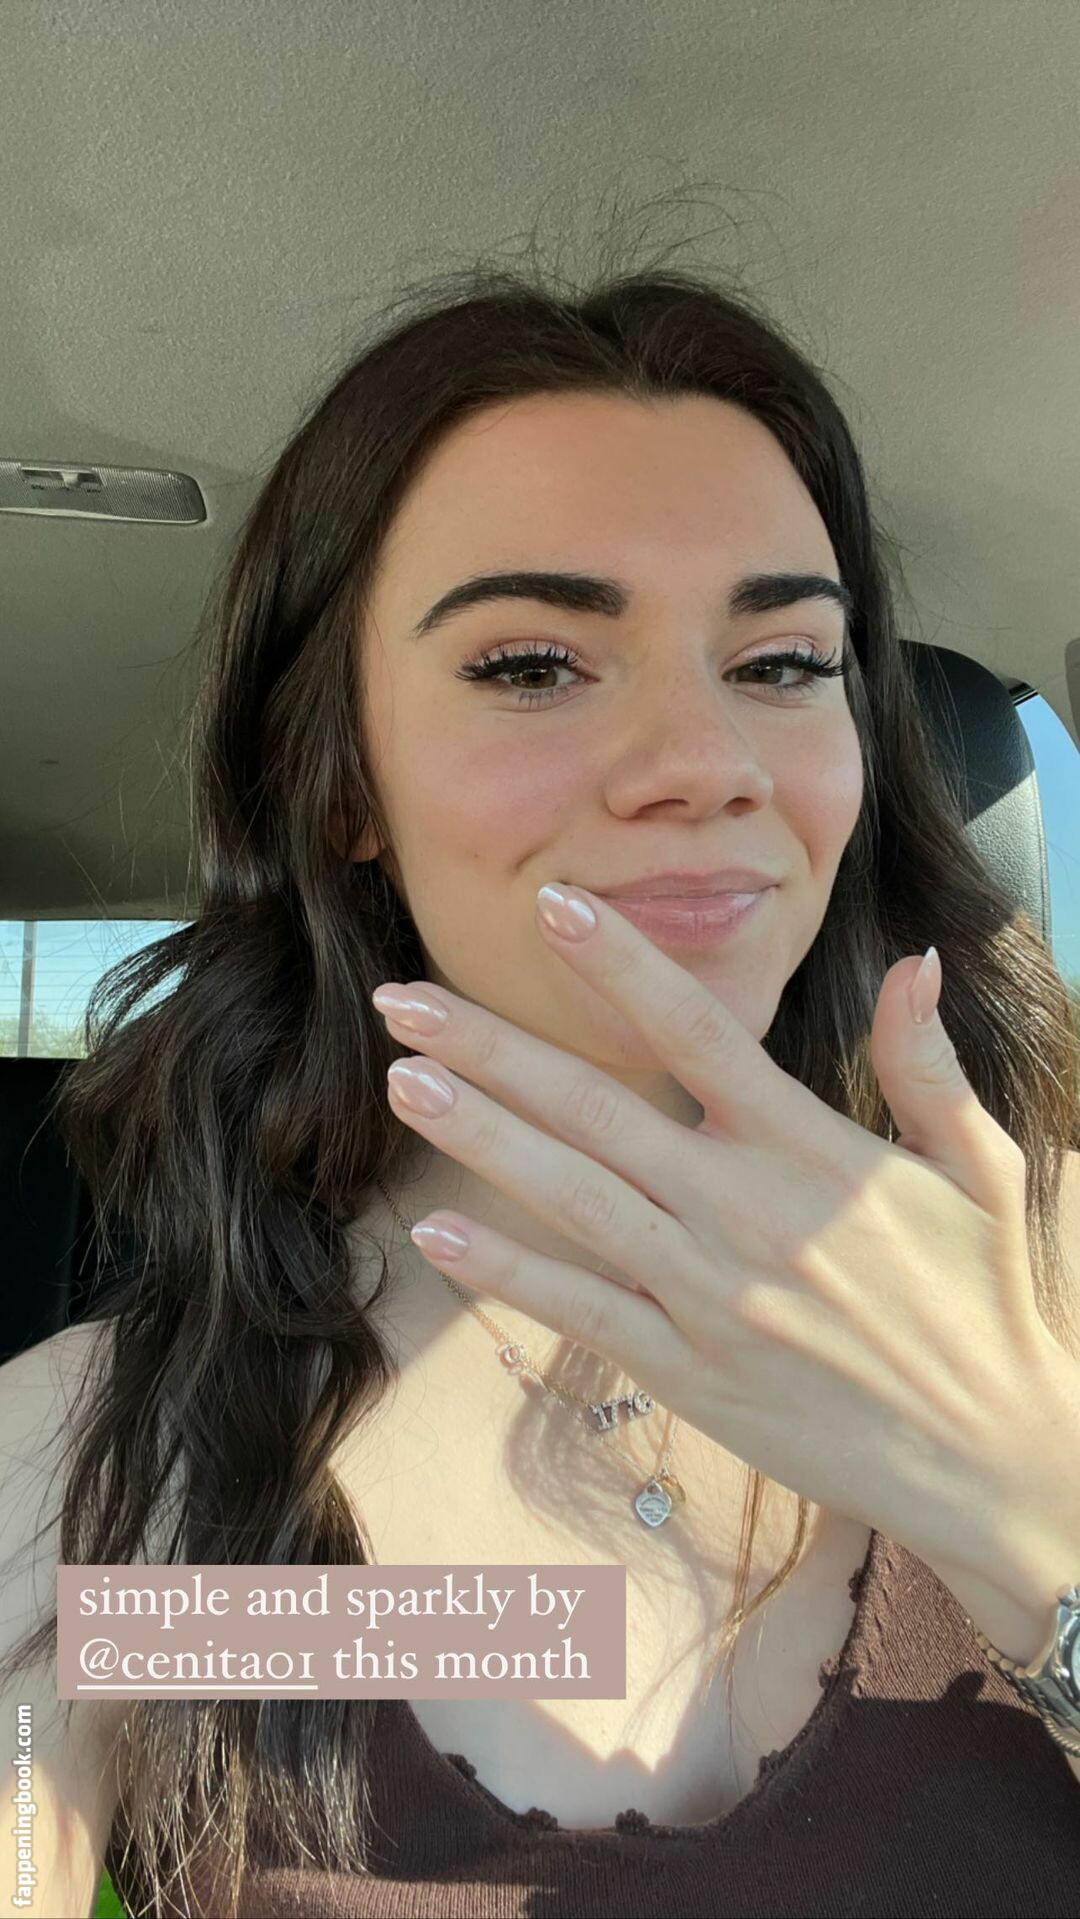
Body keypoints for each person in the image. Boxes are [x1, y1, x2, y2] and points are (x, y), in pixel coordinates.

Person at [2, 242, 1079, 1919]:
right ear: (344, 785)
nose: (705, 764)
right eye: (530, 664)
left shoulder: (1051, 1271)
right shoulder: (110, 1458)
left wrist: (1035, 1528)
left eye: (783, 663)